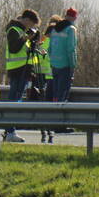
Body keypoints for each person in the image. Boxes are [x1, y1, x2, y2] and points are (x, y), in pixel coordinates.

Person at [3, 9, 41, 143]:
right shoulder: (14, 29)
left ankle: (10, 131)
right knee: (14, 100)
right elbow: (14, 48)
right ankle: (9, 131)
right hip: (17, 69)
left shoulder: (21, 31)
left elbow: (25, 49)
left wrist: (33, 41)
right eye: (31, 24)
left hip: (23, 69)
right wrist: (26, 38)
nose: (31, 28)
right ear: (26, 20)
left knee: (16, 99)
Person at [49, 7, 79, 102]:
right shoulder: (71, 29)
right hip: (65, 64)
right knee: (63, 90)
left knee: (56, 89)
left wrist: (52, 61)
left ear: (65, 16)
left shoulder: (55, 29)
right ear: (74, 18)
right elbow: (71, 48)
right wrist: (73, 64)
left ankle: (54, 106)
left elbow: (50, 48)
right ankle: (60, 111)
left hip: (54, 64)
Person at [38, 15, 60, 143]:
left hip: (41, 75)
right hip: (51, 76)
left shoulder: (42, 40)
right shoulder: (53, 41)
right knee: (51, 104)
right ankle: (50, 129)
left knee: (44, 105)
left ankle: (45, 130)